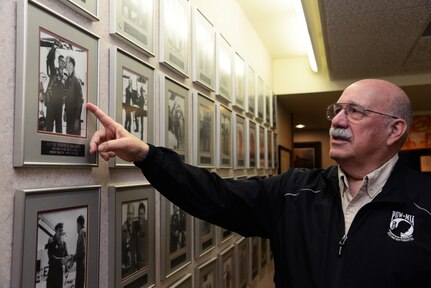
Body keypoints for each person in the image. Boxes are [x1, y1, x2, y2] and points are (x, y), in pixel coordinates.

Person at [86, 79, 431, 288]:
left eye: (355, 112)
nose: (337, 121)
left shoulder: (424, 203)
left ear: (394, 129)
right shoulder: (294, 191)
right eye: (336, 111)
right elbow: (214, 195)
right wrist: (146, 154)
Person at [45, 55, 66, 133]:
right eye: (60, 61)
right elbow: (50, 60)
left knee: (59, 130)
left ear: (65, 64)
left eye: (63, 62)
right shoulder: (54, 72)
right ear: (58, 62)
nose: (62, 63)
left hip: (59, 106)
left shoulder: (65, 77)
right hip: (51, 104)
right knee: (48, 128)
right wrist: (54, 47)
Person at [46, 223, 70, 288]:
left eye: (62, 231)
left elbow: (66, 255)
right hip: (52, 272)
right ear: (56, 231)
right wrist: (61, 261)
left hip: (60, 272)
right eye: (59, 231)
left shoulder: (64, 244)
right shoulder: (51, 241)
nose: (61, 232)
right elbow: (51, 257)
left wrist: (67, 262)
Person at [64, 56, 83, 135]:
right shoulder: (68, 80)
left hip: (74, 117)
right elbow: (67, 98)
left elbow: (80, 101)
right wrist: (65, 111)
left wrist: (77, 119)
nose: (65, 64)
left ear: (71, 64)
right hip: (69, 116)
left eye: (66, 62)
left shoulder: (76, 81)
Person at [68, 215, 86, 288]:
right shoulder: (83, 233)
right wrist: (73, 256)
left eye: (76, 225)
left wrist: (72, 260)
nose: (76, 227)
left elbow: (82, 249)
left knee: (79, 285)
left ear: (78, 224)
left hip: (81, 266)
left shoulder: (81, 233)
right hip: (81, 265)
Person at [122, 203, 137, 277]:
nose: (130, 216)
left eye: (132, 213)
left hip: (134, 269)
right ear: (126, 214)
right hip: (126, 272)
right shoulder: (123, 230)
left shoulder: (135, 228)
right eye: (129, 213)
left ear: (134, 214)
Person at [136, 202, 148, 269]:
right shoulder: (135, 225)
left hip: (146, 261)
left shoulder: (147, 224)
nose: (140, 216)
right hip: (138, 261)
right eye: (139, 214)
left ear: (144, 214)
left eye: (142, 214)